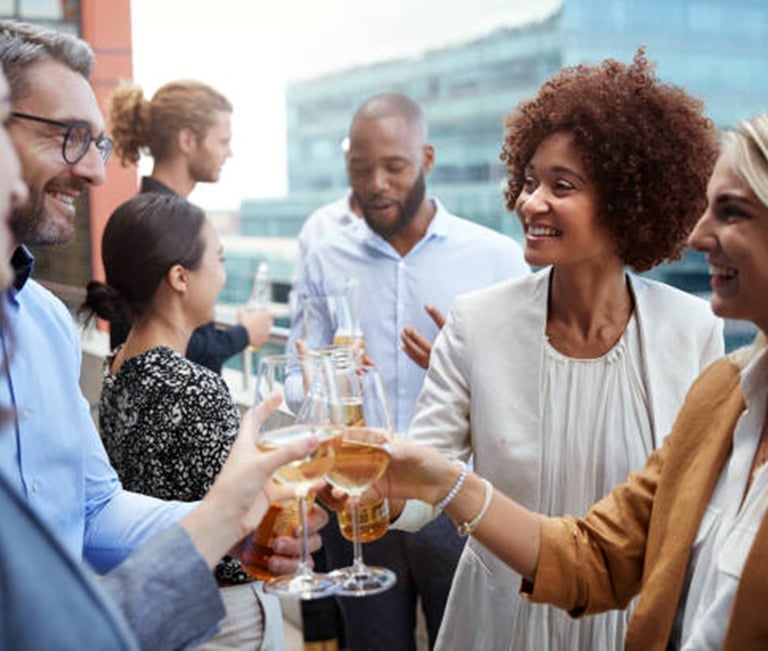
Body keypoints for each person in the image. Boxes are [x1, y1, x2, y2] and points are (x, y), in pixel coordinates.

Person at [383, 111, 768, 651]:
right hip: (505, 617)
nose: (529, 201)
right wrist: (383, 498)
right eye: (529, 181)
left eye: (560, 186)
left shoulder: (696, 331)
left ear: (626, 203)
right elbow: (592, 554)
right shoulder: (478, 321)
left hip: (626, 619)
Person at [0, 19, 327, 644]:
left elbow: (94, 511)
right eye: (71, 138)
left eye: (96, 144)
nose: (96, 173)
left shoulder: (44, 325)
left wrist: (235, 520)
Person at [293, 92, 529, 650]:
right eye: (360, 169)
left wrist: (466, 365)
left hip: (460, 502)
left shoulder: (495, 256)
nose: (376, 183)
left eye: (394, 167)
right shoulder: (325, 257)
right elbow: (295, 373)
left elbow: (528, 384)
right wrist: (327, 380)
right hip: (360, 495)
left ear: (426, 158)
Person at [81, 193, 283, 649]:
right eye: (219, 259)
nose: (223, 274)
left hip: (163, 597)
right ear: (179, 277)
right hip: (226, 613)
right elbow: (246, 513)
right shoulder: (196, 386)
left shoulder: (118, 368)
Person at [107, 78, 272, 373]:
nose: (229, 153)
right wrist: (244, 334)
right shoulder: (163, 227)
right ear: (187, 141)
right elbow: (177, 348)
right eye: (222, 141)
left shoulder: (141, 216)